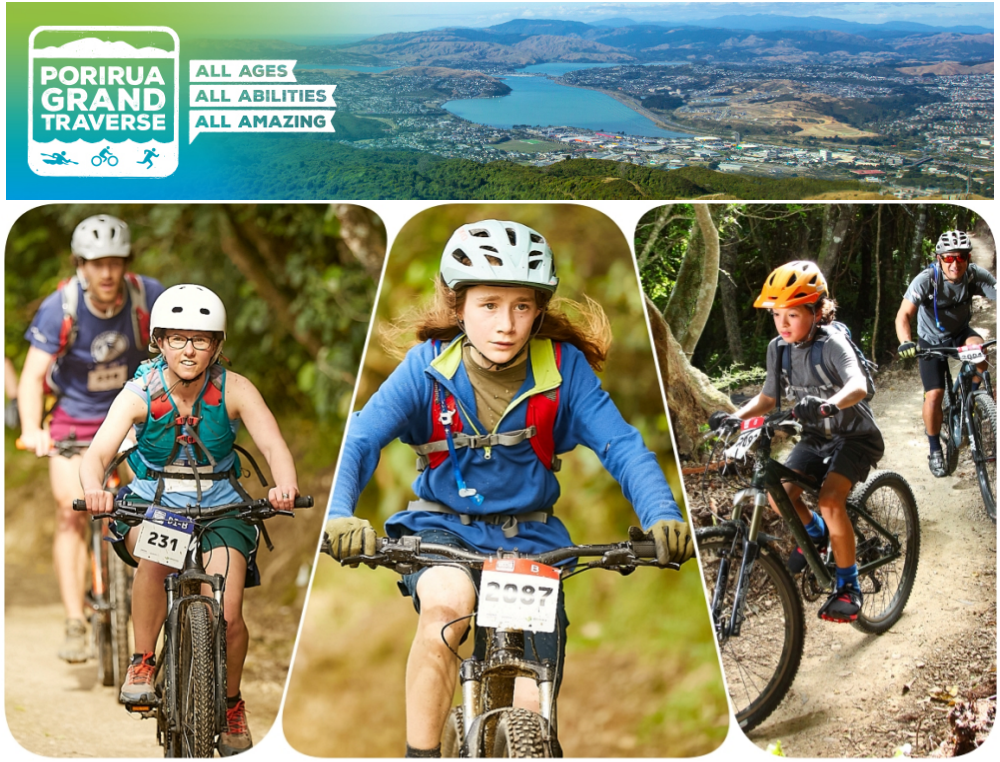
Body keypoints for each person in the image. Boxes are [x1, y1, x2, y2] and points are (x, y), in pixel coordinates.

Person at [323, 219, 693, 757]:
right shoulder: (426, 368)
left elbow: (623, 446)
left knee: (532, 705)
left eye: (521, 306)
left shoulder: (564, 372)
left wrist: (661, 513)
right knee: (447, 607)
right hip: (443, 532)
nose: (506, 324)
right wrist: (339, 512)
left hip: (531, 544)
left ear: (538, 309)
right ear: (459, 307)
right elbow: (360, 440)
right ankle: (420, 753)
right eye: (489, 304)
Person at [79, 284, 300, 756]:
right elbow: (97, 452)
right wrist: (95, 489)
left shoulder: (234, 388)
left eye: (201, 340)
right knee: (156, 561)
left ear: (217, 345)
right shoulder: (140, 392)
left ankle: (232, 701)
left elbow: (273, 445)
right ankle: (141, 661)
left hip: (222, 506)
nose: (189, 350)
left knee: (230, 608)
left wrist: (283, 486)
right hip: (154, 502)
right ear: (159, 341)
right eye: (178, 338)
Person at [18, 214, 165, 663]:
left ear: (126, 264)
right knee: (70, 509)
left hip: (134, 420)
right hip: (74, 425)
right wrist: (32, 430)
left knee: (161, 505)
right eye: (96, 263)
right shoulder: (59, 307)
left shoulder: (148, 297)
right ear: (80, 264)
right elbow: (31, 379)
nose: (106, 273)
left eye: (115, 262)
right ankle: (74, 622)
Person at [712, 261, 884, 623]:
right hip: (815, 437)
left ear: (817, 311)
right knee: (778, 493)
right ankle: (816, 535)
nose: (783, 324)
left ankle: (849, 586)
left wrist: (828, 404)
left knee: (830, 500)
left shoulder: (833, 343)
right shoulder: (779, 348)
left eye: (792, 314)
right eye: (777, 315)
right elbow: (767, 399)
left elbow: (858, 386)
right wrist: (734, 418)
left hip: (853, 436)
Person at [895, 229, 997, 477]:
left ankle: (971, 401)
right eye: (949, 258)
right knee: (935, 394)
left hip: (961, 333)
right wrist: (906, 342)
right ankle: (935, 450)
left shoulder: (974, 276)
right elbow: (903, 316)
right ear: (939, 258)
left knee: (980, 352)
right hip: (931, 341)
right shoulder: (926, 280)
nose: (955, 263)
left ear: (968, 258)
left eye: (960, 257)